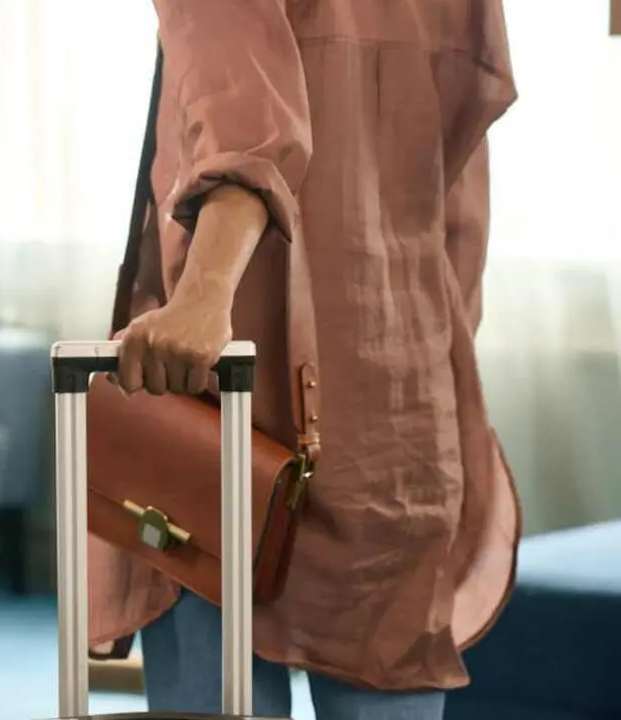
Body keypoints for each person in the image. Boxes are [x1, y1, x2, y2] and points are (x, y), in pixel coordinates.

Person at [90, 2, 523, 718]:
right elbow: (459, 188)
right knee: (385, 670)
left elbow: (246, 120)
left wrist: (203, 293)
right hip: (397, 399)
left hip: (221, 399)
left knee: (214, 671)